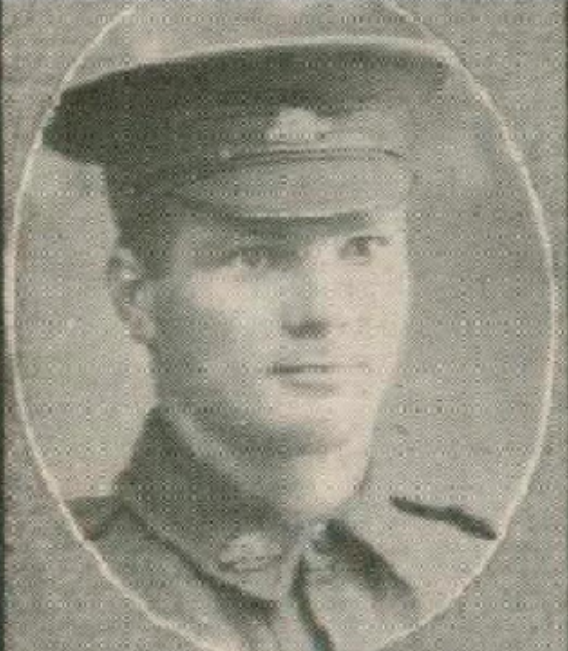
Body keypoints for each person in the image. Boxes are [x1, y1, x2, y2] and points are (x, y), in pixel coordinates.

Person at [43, 2, 500, 649]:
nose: (323, 311)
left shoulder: (465, 565)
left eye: (361, 247)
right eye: (255, 256)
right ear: (135, 296)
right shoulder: (53, 589)